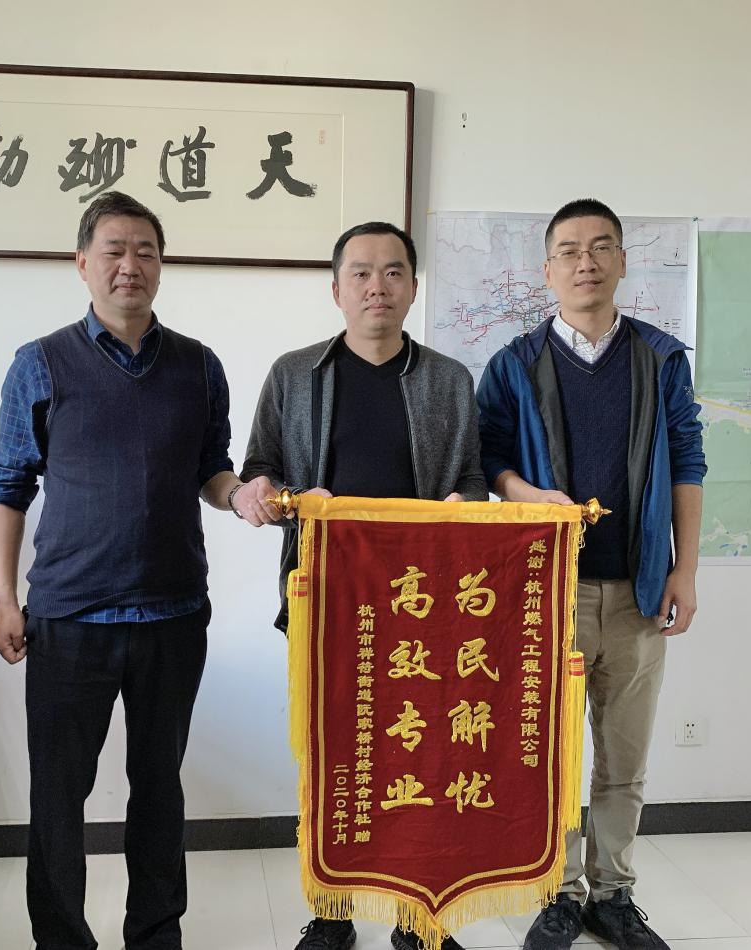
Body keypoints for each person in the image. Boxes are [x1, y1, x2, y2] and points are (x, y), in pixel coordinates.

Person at [0, 191, 246, 950]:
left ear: (161, 265)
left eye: (146, 252)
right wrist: (5, 599)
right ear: (82, 264)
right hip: (68, 617)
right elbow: (5, 487)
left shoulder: (199, 366)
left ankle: (156, 935)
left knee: (159, 788)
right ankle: (62, 939)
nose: (131, 265)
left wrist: (242, 496)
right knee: (58, 797)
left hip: (173, 613)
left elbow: (212, 471)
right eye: (114, 251)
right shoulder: (40, 363)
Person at [238, 221, 489, 950]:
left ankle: (418, 914)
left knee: (422, 755)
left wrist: (463, 505)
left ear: (413, 287)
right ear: (336, 290)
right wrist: (269, 494)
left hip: (423, 604)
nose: (376, 286)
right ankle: (332, 910)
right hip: (326, 598)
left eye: (392, 272)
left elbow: (471, 478)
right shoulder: (295, 375)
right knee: (330, 757)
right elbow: (259, 468)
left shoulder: (449, 380)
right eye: (360, 273)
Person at [475, 199, 705, 950]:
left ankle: (613, 894)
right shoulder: (514, 364)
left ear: (622, 262)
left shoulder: (660, 359)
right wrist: (525, 493)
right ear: (547, 270)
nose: (586, 262)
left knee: (623, 759)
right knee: (546, 756)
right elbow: (487, 458)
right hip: (546, 596)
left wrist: (684, 570)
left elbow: (688, 460)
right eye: (569, 251)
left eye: (601, 247)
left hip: (639, 589)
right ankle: (558, 894)